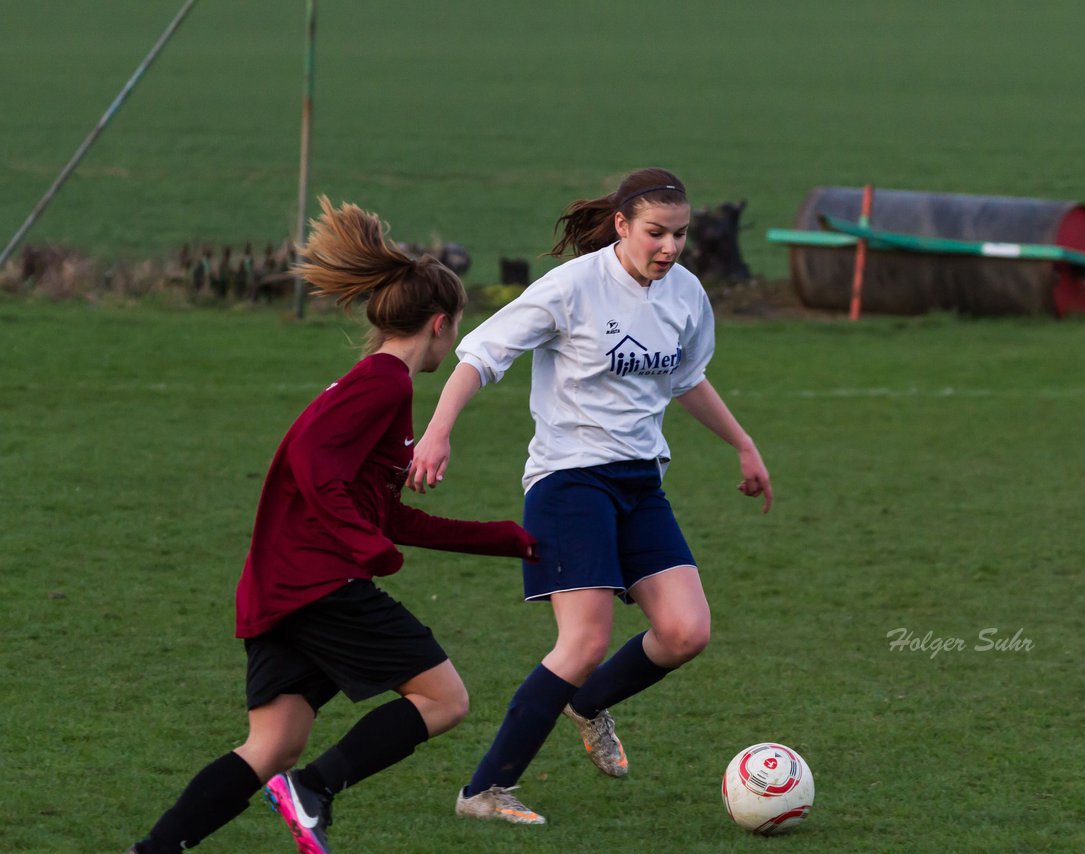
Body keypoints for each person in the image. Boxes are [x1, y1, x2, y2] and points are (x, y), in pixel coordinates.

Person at [126, 197, 537, 854]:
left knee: (271, 744)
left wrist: (500, 538)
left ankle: (153, 851)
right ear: (439, 324)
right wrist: (364, 547)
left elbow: (385, 514)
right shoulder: (386, 386)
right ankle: (313, 789)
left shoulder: (374, 384)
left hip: (281, 586)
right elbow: (312, 465)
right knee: (445, 700)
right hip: (319, 583)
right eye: (457, 326)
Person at [405, 167, 772, 824]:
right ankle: (484, 790)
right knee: (583, 641)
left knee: (686, 632)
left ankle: (587, 701)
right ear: (623, 226)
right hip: (569, 480)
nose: (669, 247)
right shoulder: (572, 288)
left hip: (639, 482)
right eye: (655, 233)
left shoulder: (686, 295)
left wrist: (743, 444)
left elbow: (688, 380)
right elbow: (480, 357)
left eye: (680, 235)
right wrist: (437, 432)